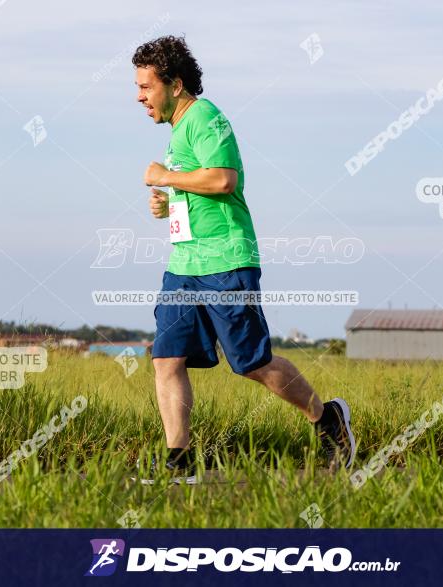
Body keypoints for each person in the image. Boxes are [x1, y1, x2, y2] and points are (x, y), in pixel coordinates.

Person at [133, 36, 355, 482]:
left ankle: (327, 417)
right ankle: (179, 462)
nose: (139, 97)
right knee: (167, 358)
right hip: (184, 266)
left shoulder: (206, 117)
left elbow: (222, 179)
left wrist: (166, 175)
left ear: (175, 85)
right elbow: (197, 191)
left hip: (226, 262)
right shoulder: (179, 132)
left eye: (146, 86)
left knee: (251, 362)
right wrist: (168, 202)